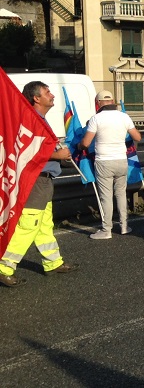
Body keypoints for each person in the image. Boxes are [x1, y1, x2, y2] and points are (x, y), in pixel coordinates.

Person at [0, 81, 79, 287]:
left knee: (44, 225)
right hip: (36, 181)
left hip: (44, 181)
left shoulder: (40, 120)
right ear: (36, 98)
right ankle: (4, 266)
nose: (52, 95)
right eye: (47, 92)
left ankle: (53, 262)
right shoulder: (32, 121)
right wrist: (57, 155)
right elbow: (28, 153)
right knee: (29, 225)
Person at [79, 90, 141, 239]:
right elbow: (138, 137)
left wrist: (79, 146)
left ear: (98, 103)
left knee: (106, 196)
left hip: (104, 161)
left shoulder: (96, 118)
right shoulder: (124, 117)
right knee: (120, 193)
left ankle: (106, 230)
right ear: (112, 101)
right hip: (121, 160)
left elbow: (86, 143)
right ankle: (124, 226)